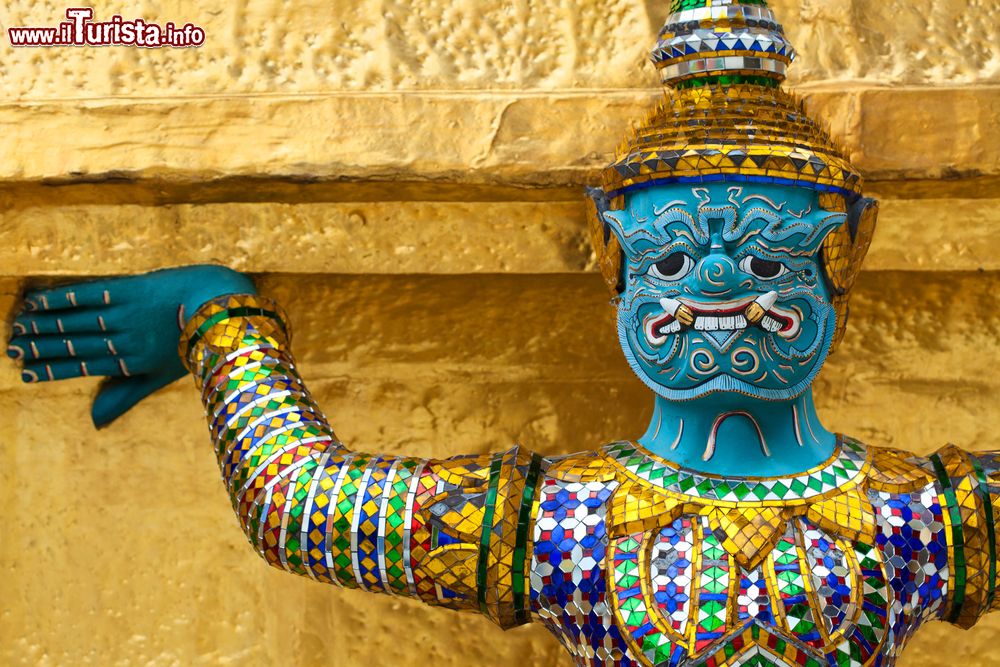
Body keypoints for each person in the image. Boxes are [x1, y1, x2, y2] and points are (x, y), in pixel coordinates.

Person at [8, 2, 999, 665]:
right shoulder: (568, 525)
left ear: (845, 253)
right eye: (669, 261)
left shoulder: (913, 521)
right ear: (609, 261)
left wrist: (220, 322)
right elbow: (298, 505)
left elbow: (295, 503)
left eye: (767, 260)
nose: (717, 292)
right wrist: (218, 316)